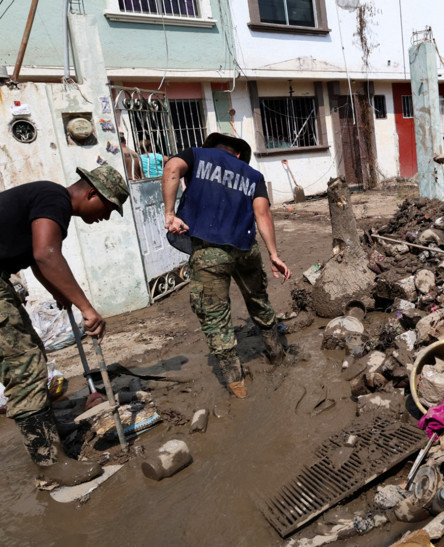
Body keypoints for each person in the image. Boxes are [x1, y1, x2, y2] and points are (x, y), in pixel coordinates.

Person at [0, 165, 130, 487]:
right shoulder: (54, 197)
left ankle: (49, 432)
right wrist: (88, 308)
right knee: (25, 367)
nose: (107, 216)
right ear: (91, 193)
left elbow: (35, 258)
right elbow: (46, 253)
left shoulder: (47, 199)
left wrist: (60, 292)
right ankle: (51, 465)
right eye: (109, 207)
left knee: (31, 354)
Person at [162, 133, 291, 399]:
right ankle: (278, 357)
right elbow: (262, 213)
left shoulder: (196, 155)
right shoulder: (252, 175)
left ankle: (237, 386)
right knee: (259, 301)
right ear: (239, 154)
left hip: (209, 252)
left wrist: (170, 213)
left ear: (215, 149)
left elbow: (172, 167)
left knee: (216, 317)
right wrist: (274, 254)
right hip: (246, 249)